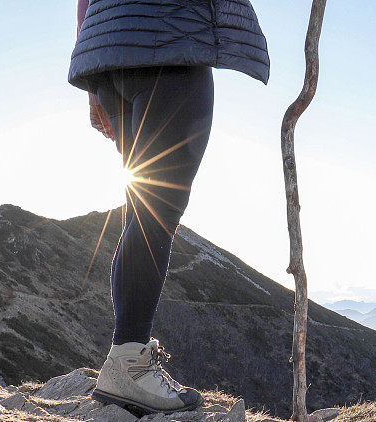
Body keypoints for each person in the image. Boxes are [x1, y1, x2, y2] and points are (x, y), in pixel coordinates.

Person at [67, 0, 269, 415]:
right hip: (171, 43)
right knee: (157, 214)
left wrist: (91, 79)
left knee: (140, 209)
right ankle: (128, 363)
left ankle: (127, 355)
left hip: (108, 54)